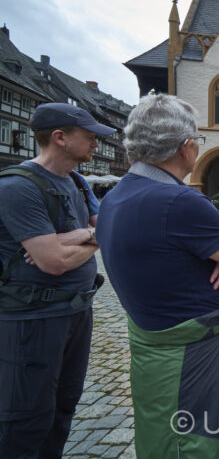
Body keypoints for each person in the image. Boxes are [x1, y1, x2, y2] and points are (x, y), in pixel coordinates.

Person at [96, 94, 219, 458]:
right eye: (197, 142)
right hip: (193, 354)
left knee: (162, 436)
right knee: (199, 441)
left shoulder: (115, 196)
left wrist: (213, 255)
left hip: (153, 346)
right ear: (186, 147)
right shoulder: (178, 201)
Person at [0, 102, 114, 457]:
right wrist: (88, 238)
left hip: (77, 313)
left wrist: (73, 236)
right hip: (31, 320)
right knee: (25, 418)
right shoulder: (18, 187)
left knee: (63, 408)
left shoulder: (79, 183)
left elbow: (110, 229)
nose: (96, 143)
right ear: (60, 138)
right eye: (89, 136)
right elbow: (53, 263)